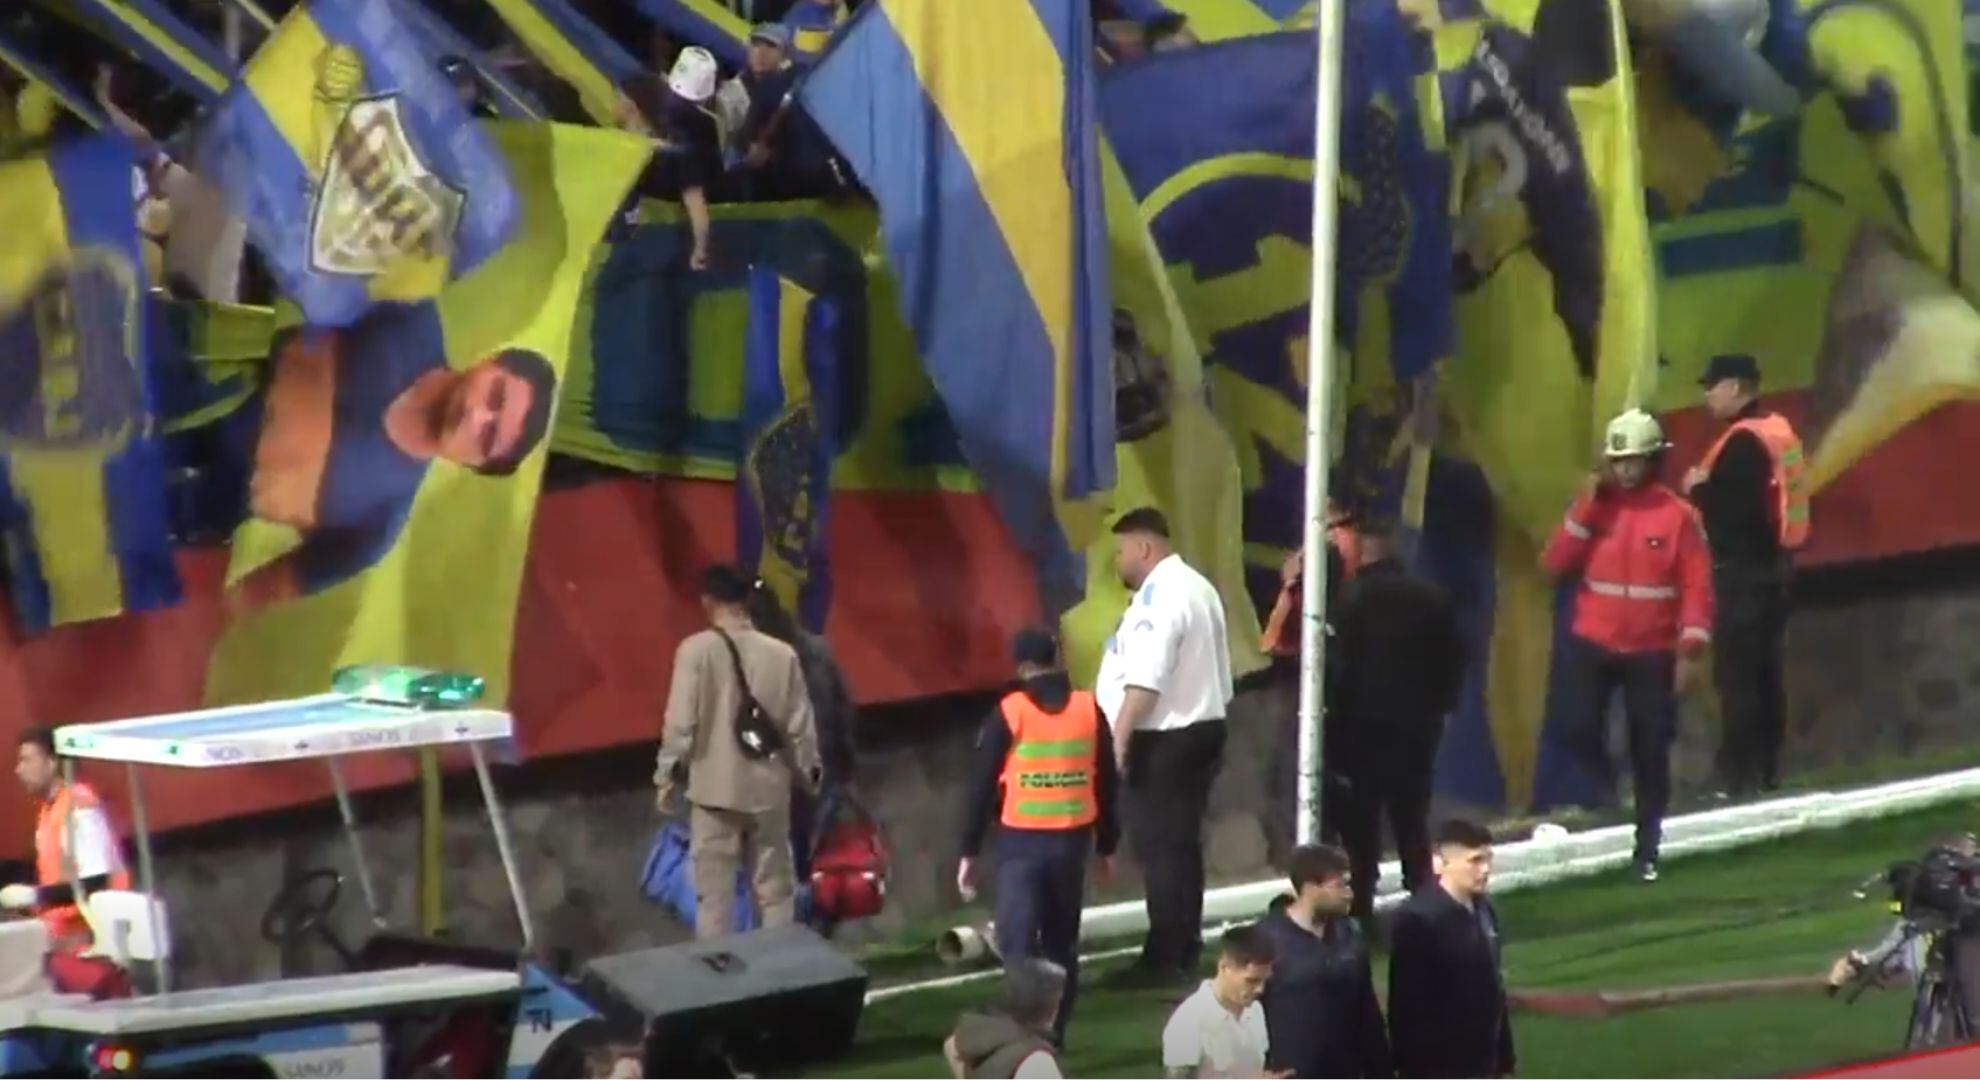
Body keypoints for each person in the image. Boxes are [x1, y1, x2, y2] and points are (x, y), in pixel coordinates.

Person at [225, 307, 557, 616]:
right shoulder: (410, 316)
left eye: (487, 437)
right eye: (495, 395)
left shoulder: (379, 524)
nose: (476, 416)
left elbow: (266, 589)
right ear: (489, 361)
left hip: (193, 498)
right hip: (206, 364)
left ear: (474, 465)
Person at [1543, 409, 1714, 883]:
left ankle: (1648, 845)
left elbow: (1696, 584)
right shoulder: (1594, 509)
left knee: (1651, 747)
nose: (1624, 471)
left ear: (1652, 460)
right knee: (1576, 724)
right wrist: (1583, 511)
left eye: (1633, 461)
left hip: (1651, 648)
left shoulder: (1680, 517)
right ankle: (1604, 788)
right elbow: (1555, 561)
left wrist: (1691, 646)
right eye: (1617, 462)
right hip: (1593, 640)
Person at [957, 627, 1121, 1043]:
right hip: (1072, 843)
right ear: (1057, 658)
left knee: (1017, 944)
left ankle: (1020, 1034)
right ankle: (1054, 1034)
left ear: (1022, 666)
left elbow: (980, 787)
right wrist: (1108, 845)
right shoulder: (1088, 708)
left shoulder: (1010, 712)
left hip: (1021, 845)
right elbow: (1107, 783)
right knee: (1061, 945)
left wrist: (969, 850)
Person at [1096, 507, 1234, 984]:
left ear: (1143, 547)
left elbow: (1145, 680)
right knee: (1179, 845)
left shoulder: (1161, 598)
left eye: (1120, 551)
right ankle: (1181, 943)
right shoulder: (1198, 587)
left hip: (1168, 737)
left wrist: (1118, 740)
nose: (1118, 561)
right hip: (1200, 727)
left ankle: (1166, 953)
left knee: (1162, 847)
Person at [655, 565, 822, 940]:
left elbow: (681, 722)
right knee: (776, 893)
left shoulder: (695, 652)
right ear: (747, 601)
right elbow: (801, 725)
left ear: (707, 601)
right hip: (769, 790)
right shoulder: (782, 655)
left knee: (713, 899)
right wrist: (809, 774)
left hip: (714, 792)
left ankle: (720, 982)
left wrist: (667, 775)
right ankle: (781, 973)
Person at [1683, 353, 1808, 797]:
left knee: (1738, 677)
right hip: (1777, 568)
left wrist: (1698, 488)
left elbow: (1736, 514)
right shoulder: (1777, 430)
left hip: (1743, 573)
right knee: (1766, 674)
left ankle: (1740, 775)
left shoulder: (1742, 442)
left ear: (1735, 388)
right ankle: (1767, 769)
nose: (1707, 395)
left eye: (1712, 385)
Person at [1328, 523, 1465, 917]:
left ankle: (1362, 903)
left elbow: (1340, 666)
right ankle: (1423, 896)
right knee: (1411, 816)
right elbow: (1452, 660)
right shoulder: (1431, 596)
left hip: (1363, 725)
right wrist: (1444, 708)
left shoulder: (1350, 598)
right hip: (1418, 725)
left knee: (1362, 820)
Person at [1, 727, 133, 999]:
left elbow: (98, 881)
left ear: (52, 763)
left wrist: (35, 895)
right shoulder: (49, 811)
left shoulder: (79, 807)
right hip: (64, 940)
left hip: (93, 942)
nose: (18, 769)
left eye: (27, 760)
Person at [1387, 819, 1514, 1079]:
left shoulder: (1485, 910)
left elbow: (1494, 990)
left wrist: (1506, 1062)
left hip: (1485, 1065)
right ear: (1440, 862)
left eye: (1488, 859)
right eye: (1475, 860)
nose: (1486, 869)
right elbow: (1406, 1010)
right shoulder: (1417, 920)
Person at [1256, 845, 1391, 1078]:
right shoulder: (1266, 939)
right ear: (1310, 887)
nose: (1349, 893)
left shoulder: (1350, 934)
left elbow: (1368, 1013)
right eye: (1340, 885)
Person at [619, 47, 722, 270]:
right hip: (640, 229)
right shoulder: (693, 140)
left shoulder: (641, 90)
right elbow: (697, 206)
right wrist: (700, 251)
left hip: (632, 224)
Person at [1161, 924, 1282, 1079]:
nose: (1260, 989)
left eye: (1265, 981)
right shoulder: (1188, 1022)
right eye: (1252, 981)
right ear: (1224, 967)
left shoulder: (1254, 1010)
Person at [944, 958, 1071, 1079]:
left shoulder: (969, 1038)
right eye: (1057, 1001)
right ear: (1049, 1007)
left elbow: (951, 1044)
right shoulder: (1036, 1059)